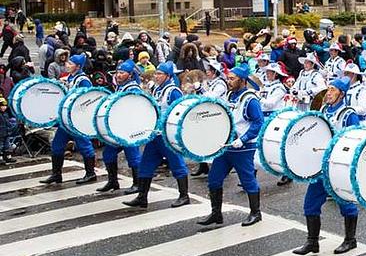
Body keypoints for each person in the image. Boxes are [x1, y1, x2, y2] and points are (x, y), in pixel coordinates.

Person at [292, 78, 361, 256]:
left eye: (333, 90)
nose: (328, 93)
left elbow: (354, 140)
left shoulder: (348, 114)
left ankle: (350, 240)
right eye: (328, 89)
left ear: (342, 93)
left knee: (345, 204)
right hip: (321, 166)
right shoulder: (323, 109)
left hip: (338, 167)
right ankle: (312, 242)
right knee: (310, 204)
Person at [197, 64, 264, 227]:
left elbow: (258, 122)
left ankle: (256, 212)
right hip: (226, 145)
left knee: (247, 180)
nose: (228, 81)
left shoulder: (250, 99)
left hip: (243, 147)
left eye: (232, 79)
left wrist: (243, 138)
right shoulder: (229, 95)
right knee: (214, 179)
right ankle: (216, 213)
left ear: (242, 80)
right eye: (228, 78)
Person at [123, 62, 191, 209]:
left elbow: (180, 111)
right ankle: (142, 196)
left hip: (166, 135)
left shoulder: (173, 91)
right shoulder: (157, 89)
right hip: (154, 135)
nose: (157, 76)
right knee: (145, 164)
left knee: (176, 163)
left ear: (168, 76)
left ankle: (184, 195)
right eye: (156, 74)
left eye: (160, 74)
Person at [42, 54, 98, 185]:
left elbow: (87, 99)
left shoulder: (83, 80)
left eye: (70, 63)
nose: (67, 65)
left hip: (76, 120)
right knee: (57, 146)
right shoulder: (70, 78)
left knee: (84, 146)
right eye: (68, 63)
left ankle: (91, 173)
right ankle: (56, 174)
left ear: (78, 67)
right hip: (66, 120)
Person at [96, 60, 143, 195]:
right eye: (117, 72)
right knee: (108, 153)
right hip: (117, 128)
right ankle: (113, 181)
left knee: (133, 156)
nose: (118, 75)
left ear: (130, 75)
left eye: (122, 73)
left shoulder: (133, 88)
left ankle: (137, 184)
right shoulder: (120, 87)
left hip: (129, 128)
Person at [0, 97, 16, 163]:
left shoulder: (6, 114)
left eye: (5, 106)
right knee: (0, 146)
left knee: (7, 146)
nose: (4, 107)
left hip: (7, 132)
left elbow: (9, 122)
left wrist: (11, 127)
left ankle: (7, 157)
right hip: (1, 133)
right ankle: (0, 158)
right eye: (2, 106)